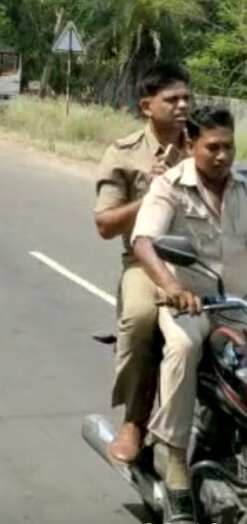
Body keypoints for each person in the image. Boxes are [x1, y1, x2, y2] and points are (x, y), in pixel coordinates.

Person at [132, 105, 247, 519]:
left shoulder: (244, 187)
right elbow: (143, 242)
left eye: (229, 147)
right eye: (212, 147)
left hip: (239, 307)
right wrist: (173, 286)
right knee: (182, 345)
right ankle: (175, 457)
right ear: (190, 144)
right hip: (193, 304)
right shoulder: (169, 187)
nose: (222, 156)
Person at [94, 64, 192, 463]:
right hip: (145, 262)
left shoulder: (206, 144)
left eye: (187, 98)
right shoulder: (124, 153)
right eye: (172, 100)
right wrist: (152, 193)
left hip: (204, 263)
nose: (183, 105)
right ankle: (134, 420)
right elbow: (104, 224)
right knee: (139, 319)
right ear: (146, 106)